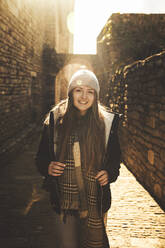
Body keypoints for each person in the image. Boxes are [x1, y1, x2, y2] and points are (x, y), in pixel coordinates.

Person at [35, 69, 121, 248]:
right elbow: (41, 158)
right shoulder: (55, 121)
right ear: (71, 93)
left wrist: (109, 173)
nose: (84, 97)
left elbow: (115, 159)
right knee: (68, 244)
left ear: (96, 96)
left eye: (90, 92)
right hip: (63, 201)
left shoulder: (105, 124)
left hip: (95, 199)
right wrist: (48, 167)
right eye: (78, 90)